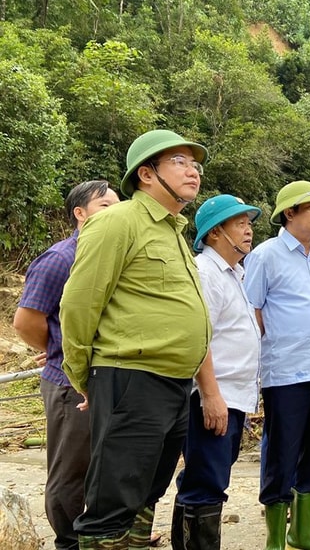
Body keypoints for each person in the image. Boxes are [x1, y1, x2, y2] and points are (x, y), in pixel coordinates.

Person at [60, 129, 211, 550]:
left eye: (194, 163)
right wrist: (83, 375)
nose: (192, 171)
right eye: (178, 162)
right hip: (131, 378)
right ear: (146, 174)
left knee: (147, 496)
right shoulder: (117, 221)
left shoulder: (173, 231)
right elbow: (79, 305)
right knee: (112, 503)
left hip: (173, 383)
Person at [14, 180, 119, 550]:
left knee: (104, 467)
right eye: (106, 205)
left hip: (111, 379)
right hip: (69, 383)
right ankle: (69, 542)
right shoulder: (61, 258)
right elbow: (26, 321)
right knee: (70, 471)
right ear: (80, 213)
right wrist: (58, 349)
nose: (115, 212)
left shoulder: (114, 255)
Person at [243, 181, 310, 550]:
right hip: (286, 371)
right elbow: (250, 309)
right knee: (282, 452)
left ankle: (303, 531)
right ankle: (274, 538)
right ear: (290, 213)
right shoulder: (266, 255)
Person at [170, 195, 263, 550]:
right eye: (238, 223)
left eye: (248, 221)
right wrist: (211, 396)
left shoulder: (235, 273)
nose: (248, 228)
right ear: (213, 234)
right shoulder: (206, 273)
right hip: (214, 395)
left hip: (233, 395)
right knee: (206, 483)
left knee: (203, 477)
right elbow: (198, 338)